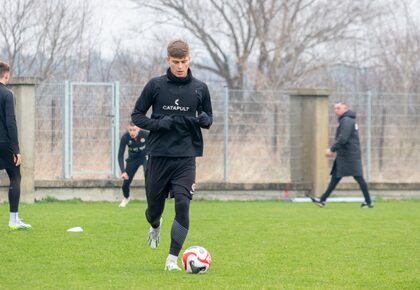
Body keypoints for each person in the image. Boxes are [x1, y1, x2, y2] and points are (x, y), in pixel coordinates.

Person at [131, 40, 212, 271]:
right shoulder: (155, 86)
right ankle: (155, 225)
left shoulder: (200, 88)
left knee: (183, 204)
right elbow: (137, 115)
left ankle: (172, 260)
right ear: (168, 60)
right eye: (175, 62)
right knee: (153, 211)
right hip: (158, 155)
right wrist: (157, 124)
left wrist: (206, 120)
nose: (179, 66)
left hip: (186, 157)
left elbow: (208, 116)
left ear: (190, 60)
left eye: (183, 62)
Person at [311, 101, 373, 208]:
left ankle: (368, 202)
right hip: (345, 155)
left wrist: (332, 149)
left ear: (345, 109)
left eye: (338, 108)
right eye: (334, 108)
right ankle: (322, 200)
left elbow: (343, 138)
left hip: (349, 156)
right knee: (336, 177)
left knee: (359, 178)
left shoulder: (347, 120)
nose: (335, 110)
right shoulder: (346, 120)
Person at [0, 62, 31, 230]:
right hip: (4, 143)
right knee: (15, 177)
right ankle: (13, 220)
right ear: (6, 75)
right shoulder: (8, 94)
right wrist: (16, 150)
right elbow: (11, 123)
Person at [118, 122, 149, 207]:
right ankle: (126, 198)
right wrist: (123, 171)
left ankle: (151, 200)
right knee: (125, 184)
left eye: (134, 130)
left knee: (148, 177)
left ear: (139, 129)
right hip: (133, 160)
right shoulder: (125, 137)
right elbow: (120, 155)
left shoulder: (146, 134)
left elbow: (155, 144)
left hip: (145, 157)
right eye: (130, 130)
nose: (132, 132)